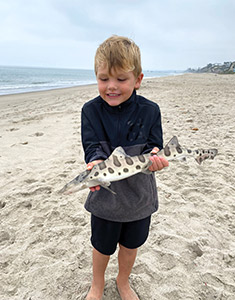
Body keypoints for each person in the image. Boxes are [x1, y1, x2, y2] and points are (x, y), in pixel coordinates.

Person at [81, 35, 169, 300]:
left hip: (139, 196)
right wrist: (95, 160)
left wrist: (156, 159)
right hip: (106, 195)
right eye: (104, 78)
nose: (111, 87)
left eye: (121, 79)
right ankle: (97, 284)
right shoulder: (90, 111)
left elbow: (155, 145)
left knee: (131, 245)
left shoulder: (150, 111)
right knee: (102, 246)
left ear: (138, 79)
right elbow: (92, 146)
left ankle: (123, 281)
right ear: (96, 76)